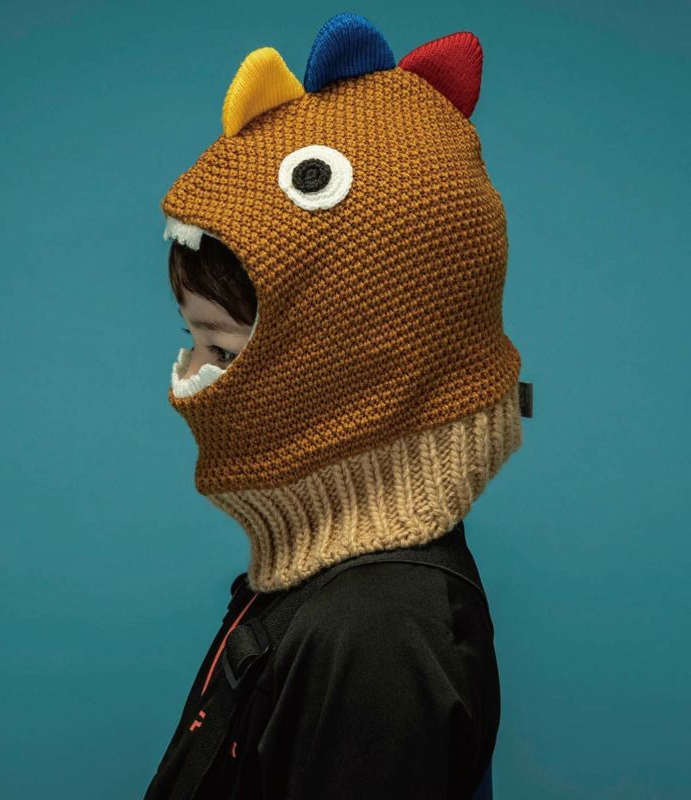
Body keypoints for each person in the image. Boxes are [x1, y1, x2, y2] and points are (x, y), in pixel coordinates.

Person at [144, 11, 531, 800]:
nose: (188, 380)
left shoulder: (375, 634)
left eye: (223, 350)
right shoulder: (312, 576)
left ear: (351, 370)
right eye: (192, 341)